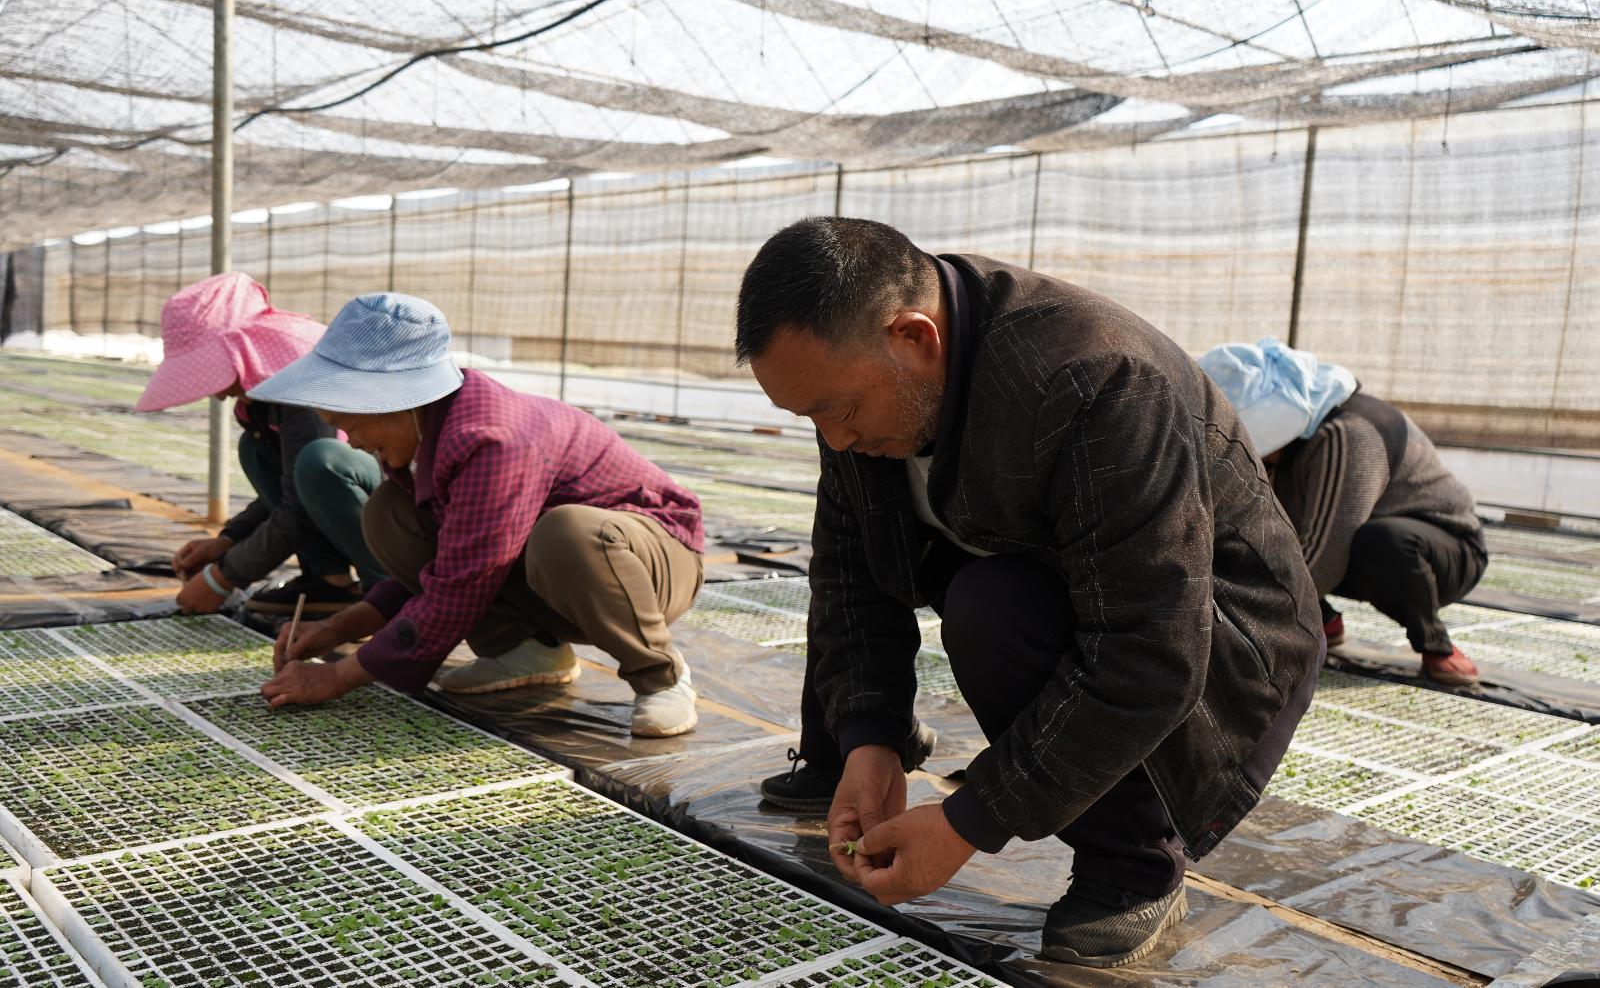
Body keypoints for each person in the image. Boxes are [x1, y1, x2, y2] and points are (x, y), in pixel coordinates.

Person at [735, 217, 1323, 968]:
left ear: (915, 338)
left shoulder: (1095, 379)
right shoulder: (866, 388)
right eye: (809, 415)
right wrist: (867, 739)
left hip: (1228, 640)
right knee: (936, 600)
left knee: (993, 610)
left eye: (838, 409)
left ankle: (1135, 862)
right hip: (1070, 581)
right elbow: (850, 574)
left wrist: (968, 820)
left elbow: (1152, 649)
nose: (834, 437)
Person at [251, 293, 706, 737]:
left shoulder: (492, 440)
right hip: (559, 571)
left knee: (565, 532)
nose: (351, 440)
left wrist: (337, 677)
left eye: (355, 420)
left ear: (397, 398)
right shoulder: (430, 435)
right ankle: (527, 652)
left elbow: (458, 587)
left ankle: (661, 674)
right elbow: (449, 564)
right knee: (388, 515)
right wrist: (337, 628)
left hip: (650, 562)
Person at [1198, 338, 1487, 688]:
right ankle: (1325, 620)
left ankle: (1436, 644)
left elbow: (1329, 552)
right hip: (1362, 546)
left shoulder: (1348, 434)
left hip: (1442, 552)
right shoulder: (1301, 440)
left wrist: (1251, 623)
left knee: (1380, 543)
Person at [134, 273, 384, 616]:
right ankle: (330, 581)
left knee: (321, 461)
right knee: (255, 452)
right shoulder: (261, 400)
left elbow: (305, 496)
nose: (215, 392)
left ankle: (389, 592)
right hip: (354, 490)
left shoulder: (301, 385)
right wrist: (229, 540)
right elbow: (292, 490)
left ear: (241, 352)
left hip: (400, 501)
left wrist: (223, 579)